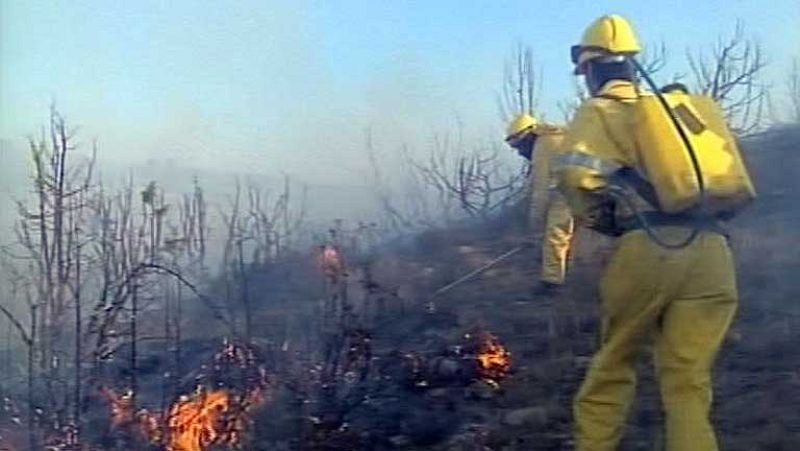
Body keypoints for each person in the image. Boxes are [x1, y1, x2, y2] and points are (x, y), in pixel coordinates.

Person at [557, 14, 743, 450]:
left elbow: (577, 180)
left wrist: (602, 222)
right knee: (689, 383)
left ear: (590, 69)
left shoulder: (600, 111)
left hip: (649, 247)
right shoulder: (677, 114)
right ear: (632, 63)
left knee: (612, 366)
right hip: (713, 251)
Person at [505, 114, 575, 295]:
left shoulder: (544, 146)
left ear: (527, 136)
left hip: (569, 189)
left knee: (555, 233)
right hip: (587, 183)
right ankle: (569, 269)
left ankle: (552, 283)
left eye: (518, 145)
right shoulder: (556, 136)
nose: (520, 151)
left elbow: (541, 193)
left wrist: (535, 228)